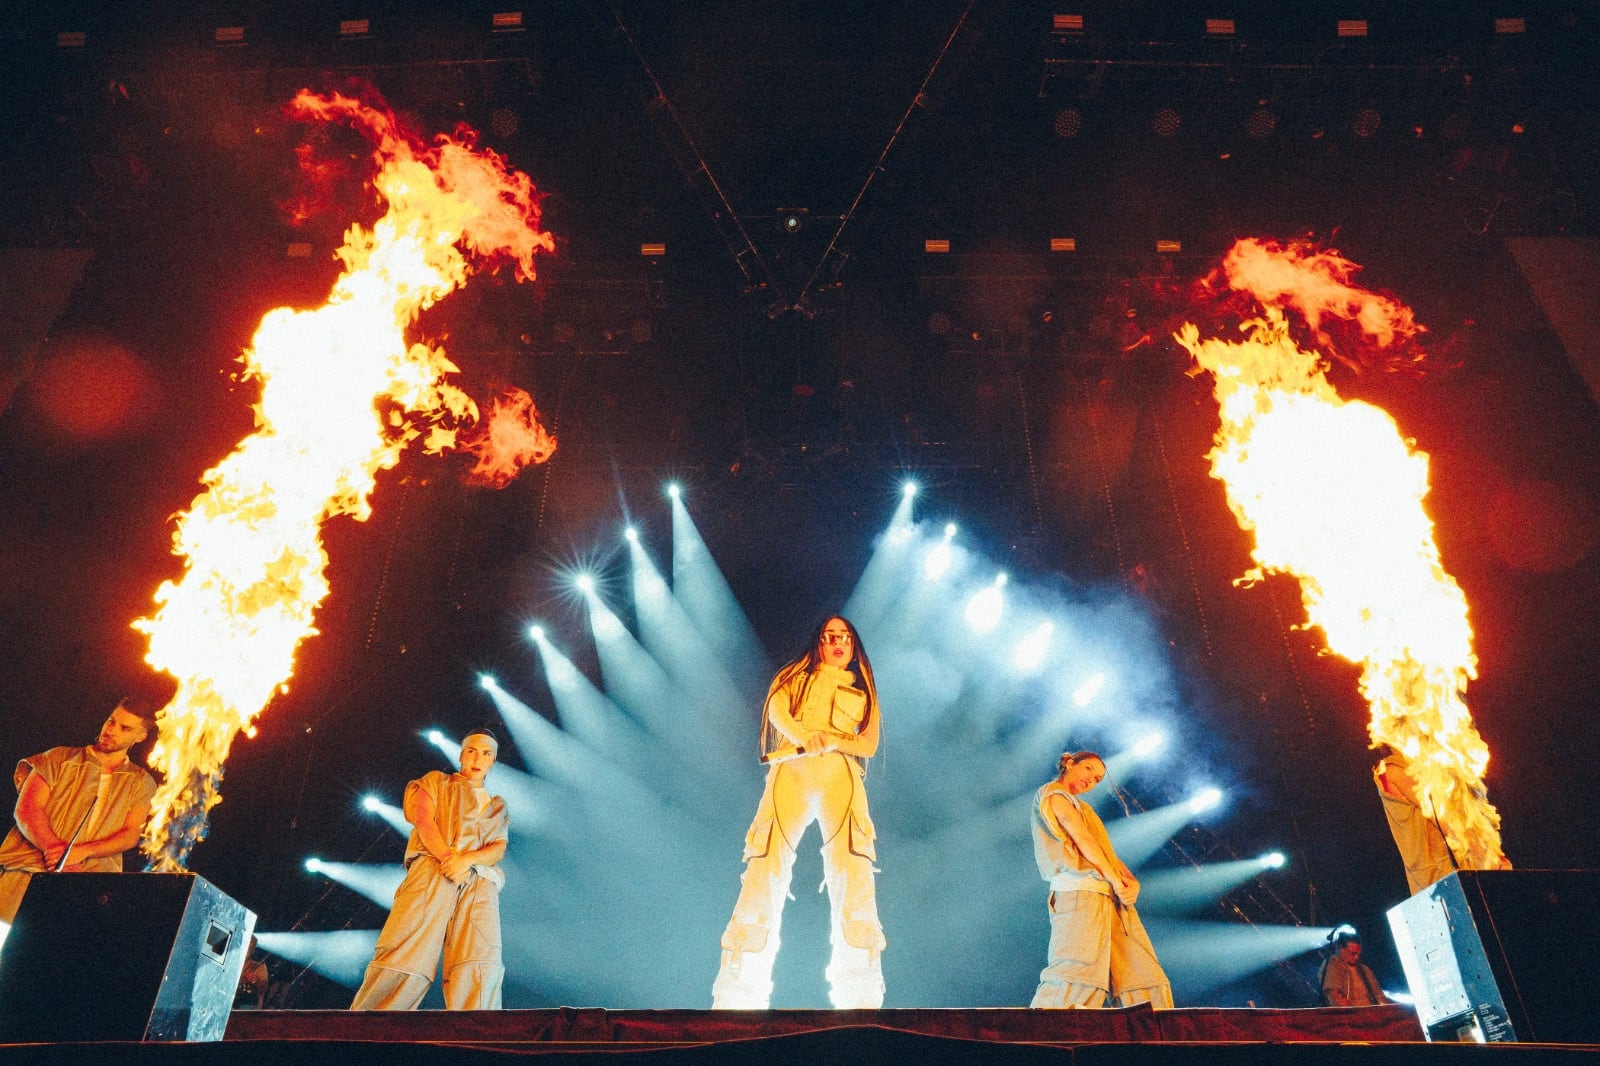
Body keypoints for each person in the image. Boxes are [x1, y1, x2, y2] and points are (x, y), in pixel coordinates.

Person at [712, 616, 885, 1009]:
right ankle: (739, 991)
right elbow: (776, 710)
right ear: (819, 643)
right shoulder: (797, 676)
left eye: (844, 637)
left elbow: (869, 744)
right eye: (829, 636)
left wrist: (835, 740)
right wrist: (805, 737)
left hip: (840, 773)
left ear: (854, 645)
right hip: (791, 768)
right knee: (765, 862)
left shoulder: (863, 689)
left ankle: (859, 992)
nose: (837, 642)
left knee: (852, 865)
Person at [350, 730, 509, 1010]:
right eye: (471, 750)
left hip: (478, 878)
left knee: (479, 957)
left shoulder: (497, 806)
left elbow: (497, 847)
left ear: (493, 761)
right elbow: (424, 821)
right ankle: (370, 1031)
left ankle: (477, 1040)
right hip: (434, 867)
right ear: (461, 754)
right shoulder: (436, 781)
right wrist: (450, 858)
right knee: (408, 947)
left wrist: (466, 860)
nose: (477, 758)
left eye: (486, 753)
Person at [1029, 750, 1173, 1009]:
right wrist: (1117, 882)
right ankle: (1038, 1041)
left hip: (1109, 897)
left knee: (1142, 978)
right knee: (1078, 976)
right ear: (1070, 763)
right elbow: (1084, 842)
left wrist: (1131, 883)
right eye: (1088, 770)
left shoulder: (1084, 808)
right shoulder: (1053, 795)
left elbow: (1105, 853)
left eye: (1097, 779)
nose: (1091, 780)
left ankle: (1157, 1044)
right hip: (1080, 895)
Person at [0, 700, 158, 930]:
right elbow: (27, 809)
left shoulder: (141, 781)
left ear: (141, 736)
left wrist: (82, 852)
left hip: (86, 889)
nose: (111, 730)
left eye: (125, 728)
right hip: (25, 874)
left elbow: (131, 833)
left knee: (48, 961)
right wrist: (56, 851)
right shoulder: (59, 758)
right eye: (111, 721)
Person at [1374, 749, 1457, 896]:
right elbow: (1446, 822)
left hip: (1432, 881)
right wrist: (1489, 857)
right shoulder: (1397, 770)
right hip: (1443, 876)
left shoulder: (1417, 766)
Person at [1319, 929, 1389, 1007]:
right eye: (1352, 953)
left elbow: (1379, 996)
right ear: (1341, 949)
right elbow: (1334, 995)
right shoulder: (1333, 964)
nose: (1356, 957)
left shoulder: (1365, 970)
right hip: (1350, 1016)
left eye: (1358, 954)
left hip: (1371, 1013)